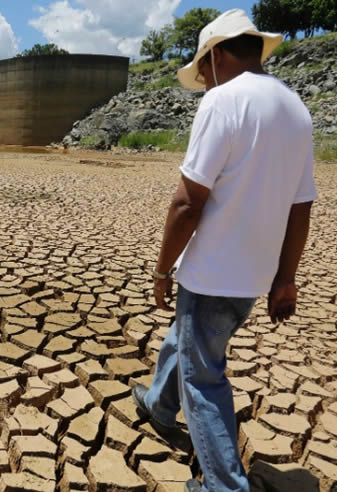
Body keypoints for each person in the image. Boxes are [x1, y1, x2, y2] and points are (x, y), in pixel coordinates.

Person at [131, 9, 317, 492]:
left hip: (211, 274)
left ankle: (223, 486)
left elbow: (187, 203)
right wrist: (285, 278)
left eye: (203, 70)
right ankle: (157, 403)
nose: (205, 81)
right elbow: (301, 208)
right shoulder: (296, 108)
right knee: (189, 339)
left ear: (216, 55)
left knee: (204, 379)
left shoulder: (223, 102)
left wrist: (161, 271)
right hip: (254, 277)